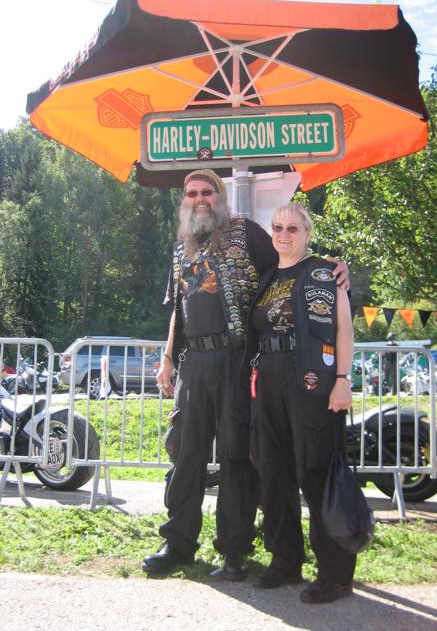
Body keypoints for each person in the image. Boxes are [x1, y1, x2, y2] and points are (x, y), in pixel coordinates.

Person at [141, 170, 349, 581]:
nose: (200, 198)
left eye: (207, 191)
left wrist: (332, 266)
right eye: (192, 193)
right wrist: (167, 358)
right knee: (186, 454)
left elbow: (291, 262)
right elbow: (177, 310)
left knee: (236, 456)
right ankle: (178, 543)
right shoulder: (181, 247)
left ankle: (234, 550)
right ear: (185, 200)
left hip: (237, 358)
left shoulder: (248, 233)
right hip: (193, 361)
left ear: (220, 196)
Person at [245, 201, 355, 604]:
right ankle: (285, 560)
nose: (284, 234)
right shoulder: (267, 276)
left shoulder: (324, 273)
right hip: (269, 378)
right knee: (274, 472)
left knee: (316, 472)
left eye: (293, 228)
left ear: (307, 233)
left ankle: (335, 574)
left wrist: (342, 379)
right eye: (278, 227)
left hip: (312, 379)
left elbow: (344, 329)